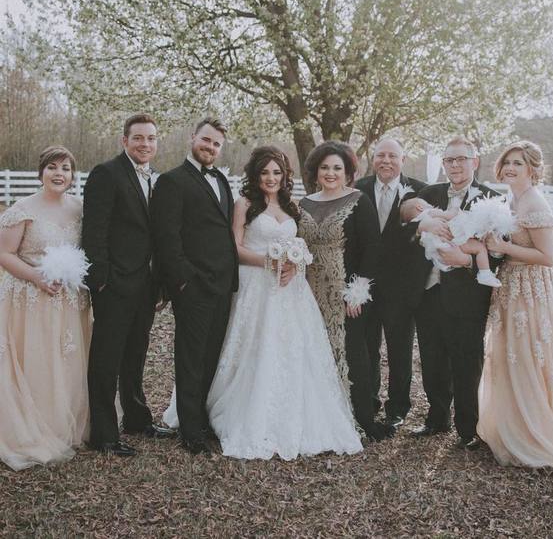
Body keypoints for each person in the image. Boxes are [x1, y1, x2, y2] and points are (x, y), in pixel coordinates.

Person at [164, 146, 363, 459]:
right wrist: (268, 262)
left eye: (277, 172)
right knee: (252, 347)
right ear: (255, 175)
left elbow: (300, 245)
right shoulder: (244, 204)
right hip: (255, 285)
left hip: (291, 290)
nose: (271, 178)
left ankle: (292, 414)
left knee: (292, 349)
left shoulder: (292, 206)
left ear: (285, 175)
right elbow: (234, 248)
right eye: (265, 172)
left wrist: (294, 264)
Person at [478, 141, 553, 472]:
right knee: (514, 356)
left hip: (532, 290)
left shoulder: (534, 201)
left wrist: (504, 247)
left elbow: (548, 257)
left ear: (532, 169)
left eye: (518, 163)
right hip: (512, 286)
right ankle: (516, 426)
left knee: (532, 357)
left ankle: (540, 433)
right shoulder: (512, 199)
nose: (510, 168)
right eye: (507, 162)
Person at [82, 114, 174, 458]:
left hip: (146, 285)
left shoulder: (157, 179)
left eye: (151, 138)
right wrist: (102, 281)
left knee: (136, 354)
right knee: (106, 359)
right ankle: (104, 434)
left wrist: (160, 283)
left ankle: (136, 419)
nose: (145, 144)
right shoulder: (106, 174)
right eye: (138, 138)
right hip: (114, 285)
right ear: (125, 141)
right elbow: (94, 232)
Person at [404, 136, 500, 450]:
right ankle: (437, 418)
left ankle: (468, 428)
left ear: (475, 162)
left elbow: (500, 254)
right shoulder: (428, 194)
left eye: (461, 159)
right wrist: (422, 227)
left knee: (467, 361)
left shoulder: (492, 199)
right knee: (432, 358)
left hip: (467, 296)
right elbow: (405, 229)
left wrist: (467, 260)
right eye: (449, 160)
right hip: (428, 292)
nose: (455, 165)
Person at [151, 117, 239, 455]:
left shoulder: (222, 180)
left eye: (216, 143)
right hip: (194, 286)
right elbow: (167, 238)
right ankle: (190, 431)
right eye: (206, 140)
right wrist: (184, 281)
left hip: (222, 285)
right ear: (193, 138)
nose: (210, 147)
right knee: (191, 357)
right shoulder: (172, 181)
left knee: (211, 355)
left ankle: (201, 417)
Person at [0, 146, 91, 470]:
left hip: (68, 301)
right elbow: (5, 254)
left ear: (72, 175)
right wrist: (37, 277)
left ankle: (62, 424)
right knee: (35, 360)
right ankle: (30, 428)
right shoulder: (23, 209)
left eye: (65, 168)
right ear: (41, 172)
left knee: (65, 361)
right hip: (29, 299)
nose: (58, 174)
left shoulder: (80, 208)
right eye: (52, 167)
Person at [299, 141, 389, 442]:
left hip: (347, 294)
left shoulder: (359, 201)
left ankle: (358, 416)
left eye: (337, 168)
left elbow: (373, 248)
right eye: (325, 167)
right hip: (308, 292)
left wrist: (357, 291)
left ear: (348, 172)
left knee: (353, 353)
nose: (330, 173)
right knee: (314, 350)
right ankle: (319, 415)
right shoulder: (304, 204)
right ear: (315, 171)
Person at [355, 137, 426, 432]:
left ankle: (397, 408)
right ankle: (369, 401)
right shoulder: (357, 189)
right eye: (380, 155)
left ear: (403, 160)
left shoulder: (421, 191)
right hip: (365, 284)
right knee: (367, 347)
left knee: (400, 351)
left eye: (392, 156)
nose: (386, 161)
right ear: (373, 159)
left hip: (402, 289)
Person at [401, 198, 502, 287]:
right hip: (451, 242)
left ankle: (484, 273)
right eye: (427, 204)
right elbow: (450, 216)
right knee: (480, 247)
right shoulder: (430, 210)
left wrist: (466, 260)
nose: (431, 205)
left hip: (444, 255)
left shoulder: (492, 198)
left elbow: (498, 257)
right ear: (419, 207)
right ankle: (485, 274)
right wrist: (454, 210)